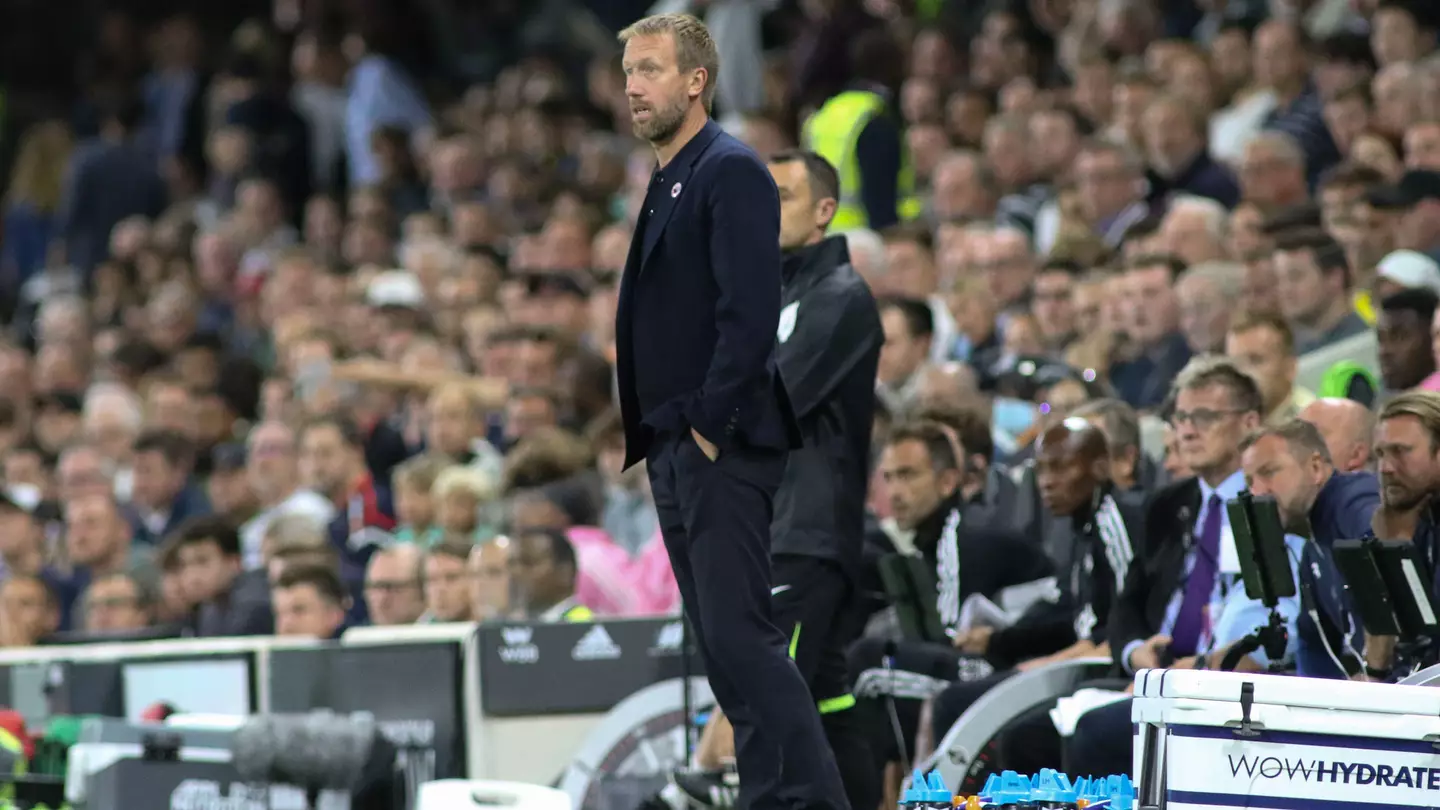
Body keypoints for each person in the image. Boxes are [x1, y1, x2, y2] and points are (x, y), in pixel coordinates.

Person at [614, 16, 843, 808]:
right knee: (721, 644)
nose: (633, 87)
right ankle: (771, 794)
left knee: (743, 638)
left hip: (720, 440)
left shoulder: (730, 169)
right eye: (629, 72)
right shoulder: (674, 172)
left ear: (695, 81)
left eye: (649, 70)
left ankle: (809, 798)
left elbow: (751, 312)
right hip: (676, 441)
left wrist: (710, 427)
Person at [671, 149, 881, 810]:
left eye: (783, 198)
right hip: (772, 526)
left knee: (763, 698)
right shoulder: (769, 296)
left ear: (825, 211)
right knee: (824, 697)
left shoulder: (840, 297)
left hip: (800, 531)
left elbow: (770, 397)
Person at [925, 420, 1143, 778]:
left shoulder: (1113, 523)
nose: (1046, 482)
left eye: (1060, 467)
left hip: (1109, 670)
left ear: (1100, 468)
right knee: (956, 699)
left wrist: (1041, 664)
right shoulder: (1081, 528)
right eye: (1041, 469)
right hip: (1079, 660)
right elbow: (1079, 623)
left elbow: (1117, 631)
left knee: (996, 722)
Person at [848, 421, 1053, 786]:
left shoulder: (962, 536)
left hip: (1009, 672)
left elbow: (947, 635)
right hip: (989, 665)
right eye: (889, 477)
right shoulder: (931, 538)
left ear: (947, 481)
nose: (895, 492)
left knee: (866, 664)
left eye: (908, 476)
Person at [1240, 420, 1379, 678]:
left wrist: (1374, 673)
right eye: (1249, 481)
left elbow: (1382, 550)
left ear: (1315, 467)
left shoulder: (1352, 500)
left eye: (1269, 472)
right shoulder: (1311, 551)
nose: (1257, 491)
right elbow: (1313, 648)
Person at [507, 528, 593, 622]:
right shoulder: (517, 621)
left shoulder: (581, 624)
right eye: (512, 564)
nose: (515, 572)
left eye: (529, 563)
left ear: (565, 572)